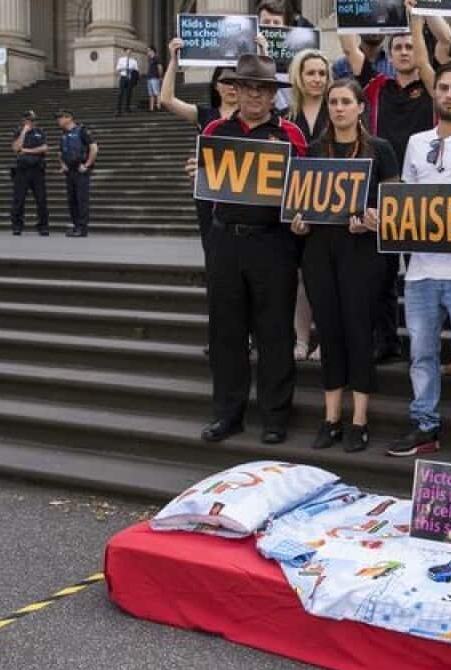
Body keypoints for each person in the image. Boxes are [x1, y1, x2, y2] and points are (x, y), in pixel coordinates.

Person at [195, 54, 309, 446]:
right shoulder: (216, 129)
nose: (255, 95)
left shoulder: (291, 134)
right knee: (226, 332)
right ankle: (228, 414)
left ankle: (275, 416)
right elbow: (206, 188)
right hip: (225, 240)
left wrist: (301, 216)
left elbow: (305, 189)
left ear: (271, 94)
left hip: (273, 242)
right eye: (248, 87)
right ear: (236, 90)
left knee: (275, 331)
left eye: (262, 89)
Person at [385, 63, 451, 465]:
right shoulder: (415, 142)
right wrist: (387, 216)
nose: (449, 94)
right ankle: (425, 427)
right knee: (422, 355)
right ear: (436, 94)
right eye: (443, 88)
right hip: (419, 272)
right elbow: (407, 199)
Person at [289, 79, 399, 453]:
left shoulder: (380, 149)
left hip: (363, 250)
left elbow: (395, 207)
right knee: (330, 331)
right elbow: (300, 204)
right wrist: (298, 223)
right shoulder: (314, 149)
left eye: (345, 102)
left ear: (360, 107)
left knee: (358, 330)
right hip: (320, 248)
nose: (338, 108)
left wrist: (374, 217)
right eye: (333, 102)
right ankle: (331, 416)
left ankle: (359, 420)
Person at [342, 28, 437, 364]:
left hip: (422, 190)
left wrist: (413, 16)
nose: (405, 52)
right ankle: (387, 341)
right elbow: (349, 45)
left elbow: (426, 59)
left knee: (421, 272)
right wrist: (350, 12)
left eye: (410, 46)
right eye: (398, 47)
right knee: (381, 274)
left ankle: (425, 344)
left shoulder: (430, 86)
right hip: (382, 187)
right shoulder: (376, 86)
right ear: (390, 53)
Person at [162, 38, 240, 240]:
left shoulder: (251, 117)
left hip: (240, 193)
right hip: (208, 196)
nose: (232, 86)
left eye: (237, 81)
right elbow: (166, 100)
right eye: (226, 81)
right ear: (216, 85)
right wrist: (173, 61)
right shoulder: (205, 115)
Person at [285, 48, 334, 362]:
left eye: (322, 73)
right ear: (298, 78)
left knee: (327, 277)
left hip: (333, 206)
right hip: (296, 209)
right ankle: (301, 339)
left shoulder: (338, 110)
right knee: (301, 277)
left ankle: (325, 340)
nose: (317, 79)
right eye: (310, 73)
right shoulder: (286, 119)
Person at [55, 109, 96, 237]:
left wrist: (87, 165)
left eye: (60, 118)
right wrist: (62, 165)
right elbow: (60, 152)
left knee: (81, 200)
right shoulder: (64, 134)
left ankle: (82, 228)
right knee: (72, 200)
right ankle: (76, 226)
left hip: (80, 170)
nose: (58, 120)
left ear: (69, 118)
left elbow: (94, 148)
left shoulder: (82, 130)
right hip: (70, 172)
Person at [10, 110, 48, 237]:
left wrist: (26, 150)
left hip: (37, 170)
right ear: (24, 121)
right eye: (29, 120)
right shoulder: (18, 132)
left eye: (33, 120)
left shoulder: (40, 132)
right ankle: (17, 226)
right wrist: (24, 132)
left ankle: (43, 226)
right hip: (22, 170)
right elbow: (16, 148)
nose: (32, 122)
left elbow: (44, 148)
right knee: (18, 200)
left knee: (41, 200)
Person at [115, 47, 139, 115]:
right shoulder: (121, 60)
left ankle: (127, 108)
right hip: (123, 77)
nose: (129, 52)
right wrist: (125, 68)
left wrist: (132, 70)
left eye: (130, 51)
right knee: (120, 93)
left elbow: (137, 70)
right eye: (128, 51)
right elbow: (117, 69)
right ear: (125, 52)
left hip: (130, 78)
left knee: (129, 94)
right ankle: (118, 109)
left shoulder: (134, 61)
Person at [144, 47, 163, 112]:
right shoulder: (150, 59)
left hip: (155, 77)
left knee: (157, 92)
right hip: (149, 78)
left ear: (152, 51)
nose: (147, 52)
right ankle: (151, 108)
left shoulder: (156, 58)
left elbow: (160, 67)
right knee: (151, 94)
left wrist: (160, 76)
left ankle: (158, 106)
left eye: (148, 50)